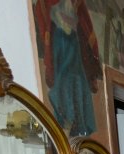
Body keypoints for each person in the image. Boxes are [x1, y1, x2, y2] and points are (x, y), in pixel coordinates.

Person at [32, 0, 102, 137]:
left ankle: (75, 125)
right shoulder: (45, 5)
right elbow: (46, 22)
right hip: (61, 43)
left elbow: (82, 21)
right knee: (65, 82)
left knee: (75, 82)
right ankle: (68, 123)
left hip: (71, 44)